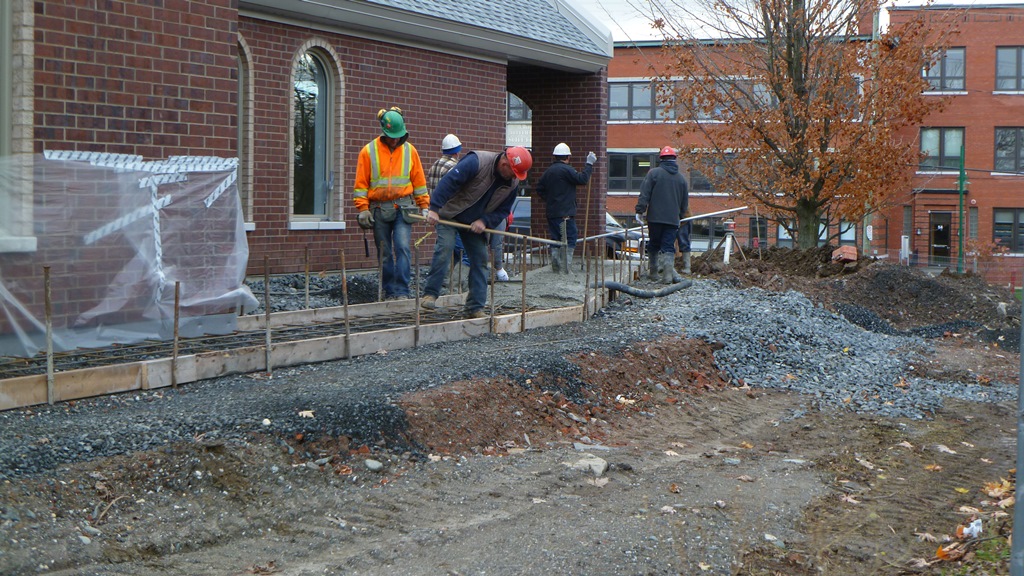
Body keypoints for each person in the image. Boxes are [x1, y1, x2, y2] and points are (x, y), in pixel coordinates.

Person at [420, 147, 532, 318]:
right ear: (504, 164)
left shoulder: (512, 184)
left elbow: (503, 211)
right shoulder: (477, 162)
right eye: (514, 173)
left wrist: (484, 221)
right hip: (450, 214)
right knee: (445, 248)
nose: (515, 177)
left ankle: (474, 307)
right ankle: (430, 294)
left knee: (480, 260)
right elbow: (449, 182)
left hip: (474, 222)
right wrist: (434, 208)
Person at [353, 107, 429, 300]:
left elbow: (419, 182)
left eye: (398, 136)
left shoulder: (410, 151)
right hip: (378, 208)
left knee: (402, 247)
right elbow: (361, 184)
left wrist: (424, 206)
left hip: (403, 207)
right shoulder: (368, 152)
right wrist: (363, 209)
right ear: (383, 132)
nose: (395, 140)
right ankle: (389, 290)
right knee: (384, 251)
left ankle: (402, 290)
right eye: (392, 136)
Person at [534, 143, 597, 272]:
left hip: (552, 213)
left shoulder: (548, 172)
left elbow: (539, 188)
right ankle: (566, 266)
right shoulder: (566, 170)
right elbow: (583, 179)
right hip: (565, 214)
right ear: (567, 157)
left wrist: (551, 199)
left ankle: (556, 264)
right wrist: (589, 164)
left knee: (556, 238)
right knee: (571, 237)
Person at [636, 146, 688, 283]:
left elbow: (645, 193)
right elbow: (684, 203)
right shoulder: (681, 179)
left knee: (654, 244)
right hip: (672, 219)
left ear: (661, 159)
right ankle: (667, 277)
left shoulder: (653, 174)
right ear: (674, 159)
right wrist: (681, 216)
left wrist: (640, 210)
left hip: (655, 218)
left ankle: (653, 273)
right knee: (668, 246)